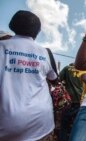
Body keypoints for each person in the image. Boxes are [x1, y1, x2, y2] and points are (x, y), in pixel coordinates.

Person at [0, 10, 57, 141]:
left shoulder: (2, 47)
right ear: (37, 31)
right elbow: (53, 79)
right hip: (42, 125)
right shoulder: (45, 52)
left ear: (12, 24)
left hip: (7, 127)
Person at [58, 63, 84, 141]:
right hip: (81, 102)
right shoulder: (83, 70)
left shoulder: (67, 68)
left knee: (64, 127)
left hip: (68, 102)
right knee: (78, 127)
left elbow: (58, 79)